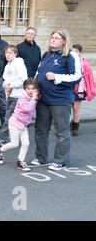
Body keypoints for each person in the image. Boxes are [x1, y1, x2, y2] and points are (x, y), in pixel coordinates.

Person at [32, 29, 81, 171]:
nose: (53, 39)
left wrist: (57, 77)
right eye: (52, 37)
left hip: (60, 100)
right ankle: (41, 158)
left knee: (61, 132)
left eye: (56, 38)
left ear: (64, 40)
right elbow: (38, 72)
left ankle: (61, 161)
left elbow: (77, 76)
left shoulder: (70, 56)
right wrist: (34, 86)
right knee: (40, 130)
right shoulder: (47, 54)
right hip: (43, 99)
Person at [0, 78, 40, 172]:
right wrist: (34, 97)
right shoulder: (23, 98)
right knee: (14, 144)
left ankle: (20, 161)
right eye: (28, 89)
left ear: (37, 89)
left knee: (26, 143)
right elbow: (28, 109)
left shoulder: (34, 97)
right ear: (25, 89)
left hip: (23, 125)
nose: (31, 91)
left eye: (33, 89)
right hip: (15, 123)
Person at [0, 45, 28, 147]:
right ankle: (12, 136)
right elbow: (5, 79)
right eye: (6, 53)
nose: (7, 55)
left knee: (9, 117)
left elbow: (23, 79)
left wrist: (11, 86)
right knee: (12, 117)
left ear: (15, 54)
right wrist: (6, 86)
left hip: (18, 95)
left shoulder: (19, 64)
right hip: (11, 95)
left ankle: (4, 137)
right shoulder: (8, 65)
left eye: (10, 53)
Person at [71, 44, 96, 136]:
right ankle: (68, 125)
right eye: (72, 52)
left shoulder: (85, 64)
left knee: (76, 108)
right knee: (67, 108)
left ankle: (75, 127)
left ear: (80, 52)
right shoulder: (69, 62)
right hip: (69, 88)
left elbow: (90, 78)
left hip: (80, 89)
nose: (74, 54)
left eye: (76, 51)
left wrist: (91, 89)